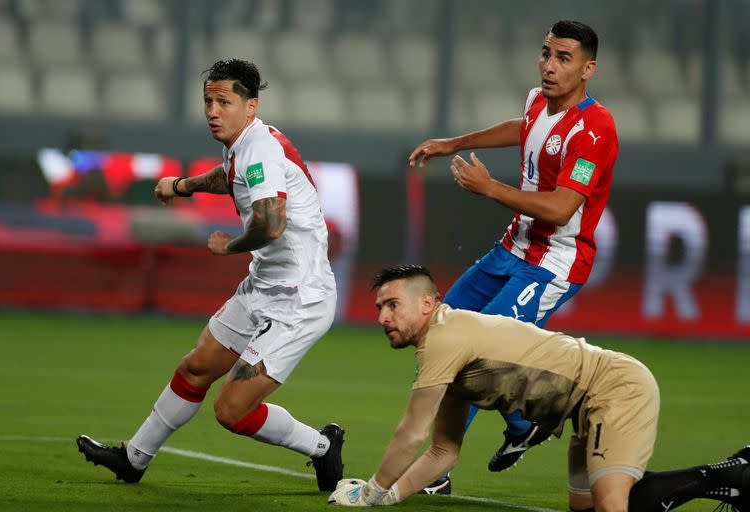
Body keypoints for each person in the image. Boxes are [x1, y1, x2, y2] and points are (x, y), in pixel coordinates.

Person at [76, 59, 344, 492]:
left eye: (224, 101)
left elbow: (270, 223)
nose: (212, 111)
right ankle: (134, 458)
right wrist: (183, 185)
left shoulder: (260, 148)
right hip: (264, 284)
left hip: (301, 299)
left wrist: (231, 245)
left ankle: (322, 447)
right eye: (207, 101)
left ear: (251, 106)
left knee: (231, 410)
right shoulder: (242, 144)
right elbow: (229, 176)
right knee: (196, 368)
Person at [328, 265, 750, 511]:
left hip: (613, 387)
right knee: (586, 508)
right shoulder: (443, 350)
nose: (383, 316)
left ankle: (721, 473)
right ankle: (724, 479)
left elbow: (411, 432)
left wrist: (371, 491)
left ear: (428, 302)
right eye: (379, 306)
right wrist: (391, 497)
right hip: (583, 409)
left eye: (393, 304)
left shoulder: (444, 337)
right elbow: (443, 451)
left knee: (610, 505)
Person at [407, 20, 618, 484]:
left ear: (588, 69)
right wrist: (454, 143)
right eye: (545, 53)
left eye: (563, 58)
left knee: (475, 356)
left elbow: (563, 209)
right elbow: (524, 128)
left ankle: (445, 464)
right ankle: (525, 424)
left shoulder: (595, 130)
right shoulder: (537, 101)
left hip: (552, 265)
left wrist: (490, 188)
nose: (549, 65)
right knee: (436, 337)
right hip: (511, 249)